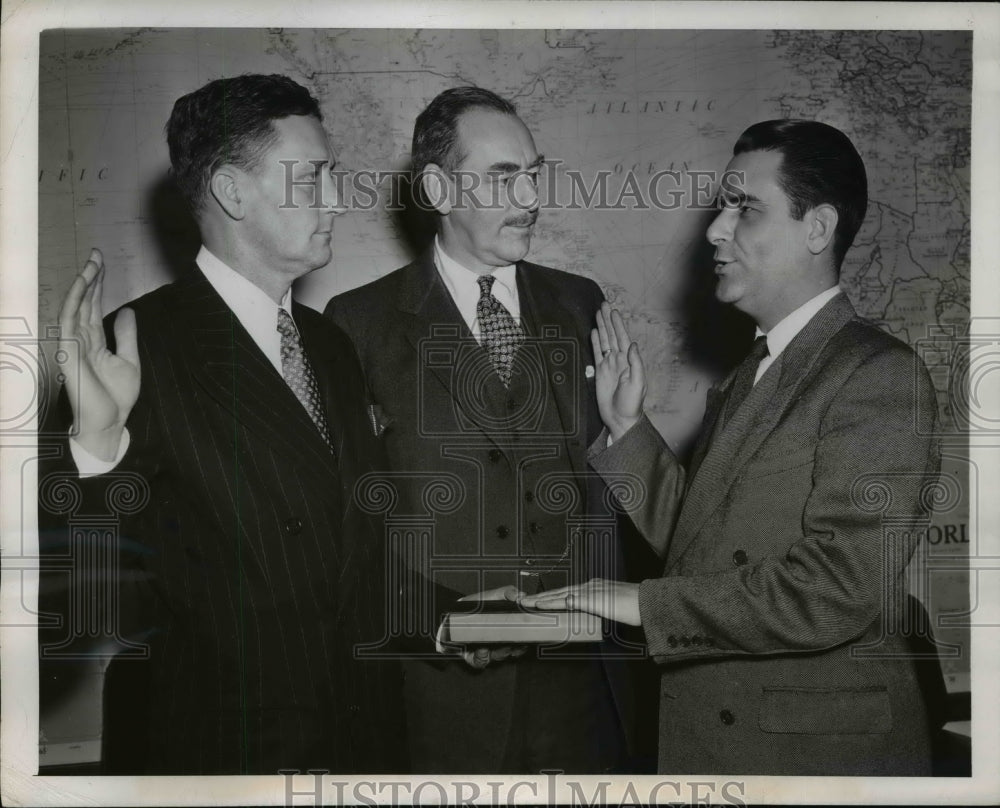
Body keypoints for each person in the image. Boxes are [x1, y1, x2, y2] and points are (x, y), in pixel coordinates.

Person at [522, 119, 941, 776]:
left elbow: (839, 588)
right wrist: (630, 430)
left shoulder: (877, 374)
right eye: (724, 206)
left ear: (817, 228)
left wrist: (641, 602)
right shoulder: (756, 370)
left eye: (745, 208)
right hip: (731, 743)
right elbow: (706, 544)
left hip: (815, 763)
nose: (717, 229)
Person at [48, 74, 407, 774]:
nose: (336, 199)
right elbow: (78, 598)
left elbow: (357, 555)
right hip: (224, 755)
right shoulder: (141, 343)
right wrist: (94, 448)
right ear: (232, 192)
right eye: (312, 179)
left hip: (362, 743)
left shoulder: (330, 346)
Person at [325, 87, 637, 773]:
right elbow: (353, 528)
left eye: (535, 173)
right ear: (438, 187)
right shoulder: (357, 325)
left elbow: (614, 487)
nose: (530, 197)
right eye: (503, 177)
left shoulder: (580, 302)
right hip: (440, 703)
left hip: (583, 695)